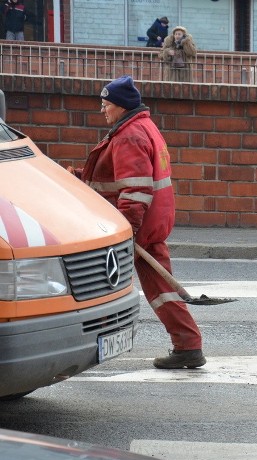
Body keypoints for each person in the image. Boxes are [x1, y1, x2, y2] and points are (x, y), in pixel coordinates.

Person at [67, 76, 206, 370]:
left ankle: (84, 348)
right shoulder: (141, 127)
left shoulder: (129, 135)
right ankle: (188, 346)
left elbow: (135, 189)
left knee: (93, 286)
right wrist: (80, 179)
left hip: (129, 227)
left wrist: (127, 229)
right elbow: (119, 179)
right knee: (159, 289)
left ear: (121, 106)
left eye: (106, 105)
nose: (102, 110)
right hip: (147, 224)